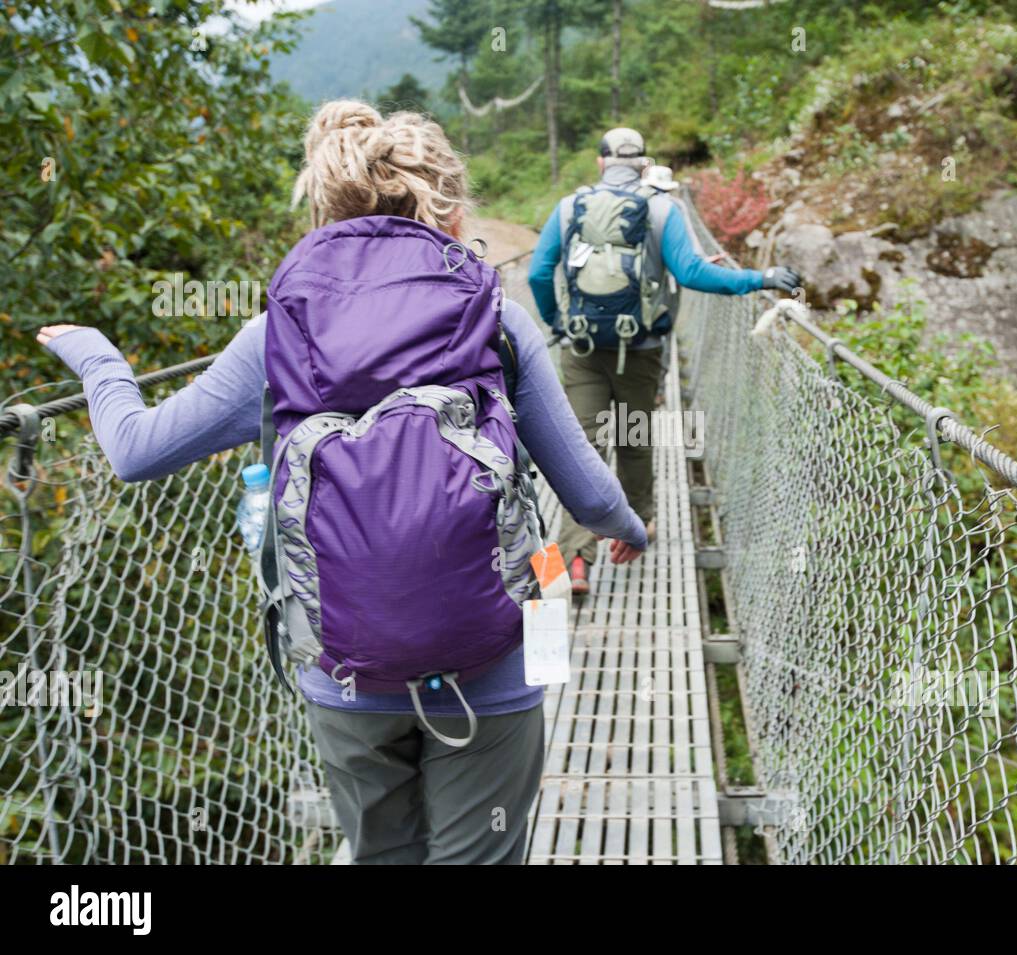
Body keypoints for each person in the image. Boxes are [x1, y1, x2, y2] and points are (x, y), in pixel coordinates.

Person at [36, 100, 647, 865]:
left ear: (325, 210)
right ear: (450, 211)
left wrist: (97, 358)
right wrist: (630, 526)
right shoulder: (496, 319)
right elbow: (585, 491)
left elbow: (134, 450)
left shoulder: (277, 332)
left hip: (344, 665)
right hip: (494, 657)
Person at [528, 127, 800, 594]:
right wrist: (762, 278)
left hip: (583, 347)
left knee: (584, 448)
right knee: (634, 434)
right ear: (642, 164)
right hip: (642, 349)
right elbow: (693, 274)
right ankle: (639, 523)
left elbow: (537, 273)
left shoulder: (569, 208)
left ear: (600, 163)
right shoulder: (662, 208)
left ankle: (574, 561)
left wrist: (557, 322)